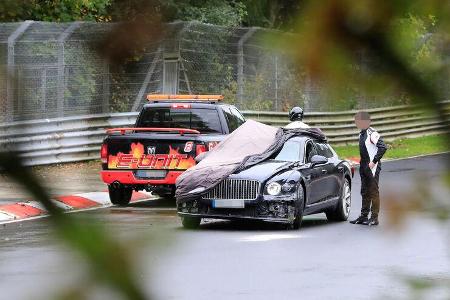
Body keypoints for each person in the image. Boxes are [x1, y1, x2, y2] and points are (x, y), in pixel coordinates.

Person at [350, 111, 387, 226]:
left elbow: (383, 147)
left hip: (372, 167)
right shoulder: (361, 134)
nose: (356, 123)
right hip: (363, 166)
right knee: (364, 191)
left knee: (373, 191)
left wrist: (374, 161)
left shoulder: (372, 133)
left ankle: (374, 217)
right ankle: (363, 215)